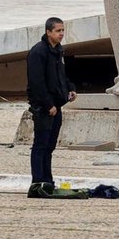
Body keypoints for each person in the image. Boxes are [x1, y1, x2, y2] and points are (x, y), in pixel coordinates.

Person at [26, 17, 77, 197]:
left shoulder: (58, 51)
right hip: (44, 108)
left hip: (57, 105)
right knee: (40, 145)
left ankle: (47, 181)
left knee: (50, 146)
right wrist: (48, 104)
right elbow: (37, 82)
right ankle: (37, 182)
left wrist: (70, 89)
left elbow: (61, 76)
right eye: (58, 31)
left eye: (62, 30)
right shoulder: (38, 52)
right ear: (48, 32)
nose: (61, 34)